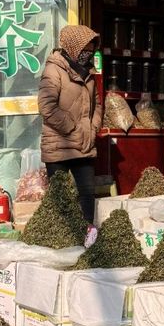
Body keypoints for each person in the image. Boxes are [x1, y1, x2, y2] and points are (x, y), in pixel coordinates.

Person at [38, 24, 103, 223]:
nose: (88, 54)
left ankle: (88, 238)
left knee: (87, 194)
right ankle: (64, 241)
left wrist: (92, 129)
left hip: (84, 144)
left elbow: (98, 104)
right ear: (73, 47)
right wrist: (72, 129)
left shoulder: (88, 73)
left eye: (91, 51)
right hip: (59, 145)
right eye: (85, 50)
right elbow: (46, 106)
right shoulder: (54, 69)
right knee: (60, 198)